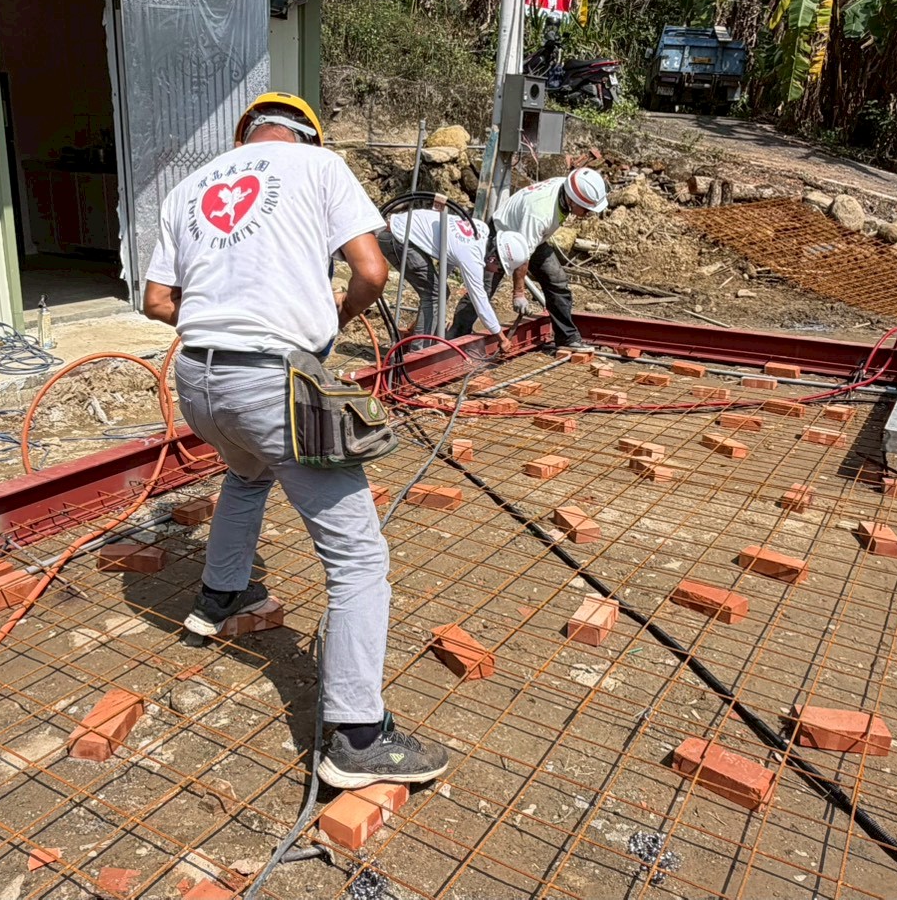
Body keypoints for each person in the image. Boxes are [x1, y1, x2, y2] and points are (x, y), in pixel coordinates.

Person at [141, 92, 450, 789]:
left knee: (246, 476)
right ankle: (357, 737)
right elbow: (372, 272)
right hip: (270, 380)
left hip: (199, 383)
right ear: (307, 137)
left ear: (244, 138)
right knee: (359, 558)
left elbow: (157, 301)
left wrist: (224, 315)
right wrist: (333, 315)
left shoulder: (189, 188)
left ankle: (219, 599)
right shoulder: (320, 168)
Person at [451, 167, 609, 350]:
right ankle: (455, 340)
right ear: (573, 201)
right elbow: (523, 257)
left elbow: (528, 245)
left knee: (557, 279)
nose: (588, 213)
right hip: (501, 236)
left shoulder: (567, 189)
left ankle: (567, 338)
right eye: (586, 209)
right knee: (482, 289)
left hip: (530, 236)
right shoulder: (540, 213)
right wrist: (518, 293)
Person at [376, 208, 531, 344]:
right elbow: (480, 302)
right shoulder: (472, 256)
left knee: (439, 292)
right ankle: (419, 351)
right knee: (435, 294)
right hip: (396, 238)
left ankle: (418, 335)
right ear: (493, 258)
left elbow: (449, 251)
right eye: (500, 269)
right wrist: (501, 338)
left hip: (402, 230)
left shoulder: (481, 230)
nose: (496, 272)